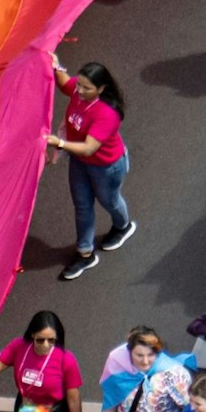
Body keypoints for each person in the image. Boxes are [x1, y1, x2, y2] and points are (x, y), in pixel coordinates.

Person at [45, 58, 136, 280]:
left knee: (109, 201)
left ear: (101, 88)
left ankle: (122, 226)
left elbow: (88, 147)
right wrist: (55, 65)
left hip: (106, 167)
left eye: (86, 88)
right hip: (81, 163)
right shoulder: (79, 91)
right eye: (80, 85)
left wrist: (59, 143)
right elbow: (65, 82)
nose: (79, 90)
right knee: (82, 206)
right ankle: (85, 253)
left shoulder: (106, 114)